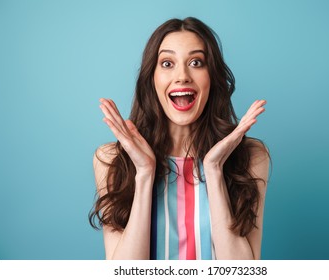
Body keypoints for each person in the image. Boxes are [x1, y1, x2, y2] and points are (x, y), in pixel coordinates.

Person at [89, 17, 270, 260]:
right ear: (151, 79)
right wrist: (144, 173)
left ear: (212, 78)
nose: (182, 76)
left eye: (196, 62)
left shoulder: (250, 157)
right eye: (167, 63)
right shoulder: (111, 160)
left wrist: (214, 169)